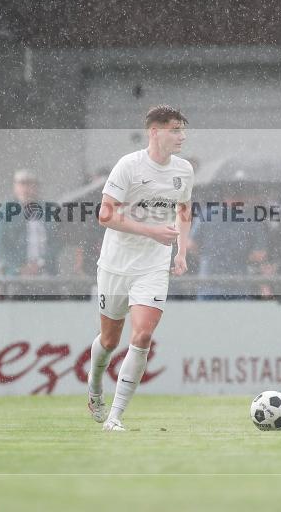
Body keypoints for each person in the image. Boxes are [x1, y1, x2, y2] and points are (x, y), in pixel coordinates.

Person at [87, 105, 193, 432]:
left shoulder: (184, 170)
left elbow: (184, 210)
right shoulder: (129, 166)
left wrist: (181, 251)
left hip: (153, 266)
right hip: (116, 264)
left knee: (143, 334)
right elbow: (105, 215)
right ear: (155, 132)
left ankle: (115, 417)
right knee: (109, 340)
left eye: (183, 129)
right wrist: (151, 231)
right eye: (175, 130)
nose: (182, 136)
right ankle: (95, 384)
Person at [0, 169, 58, 281]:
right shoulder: (5, 211)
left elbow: (56, 241)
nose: (25, 189)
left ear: (36, 187)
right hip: (15, 276)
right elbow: (0, 245)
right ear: (15, 187)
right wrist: (19, 268)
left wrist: (40, 263)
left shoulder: (47, 210)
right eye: (21, 184)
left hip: (45, 274)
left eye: (29, 184)